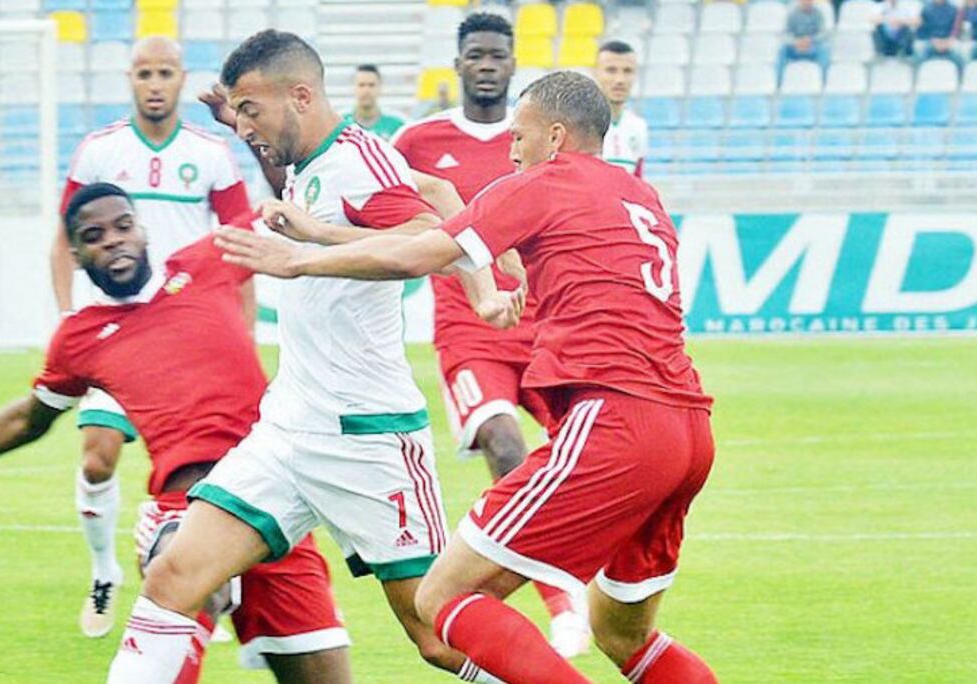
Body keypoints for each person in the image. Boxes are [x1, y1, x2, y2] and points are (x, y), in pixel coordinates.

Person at [216, 70, 718, 684]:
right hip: (689, 431)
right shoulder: (639, 195)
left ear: (555, 137)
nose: (510, 149)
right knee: (621, 632)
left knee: (442, 598)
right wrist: (319, 228)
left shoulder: (543, 181)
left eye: (521, 136)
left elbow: (419, 252)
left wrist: (299, 260)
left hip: (615, 422)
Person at [104, 30, 505, 684]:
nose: (246, 125)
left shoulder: (358, 163)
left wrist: (308, 251)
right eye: (239, 112)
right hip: (288, 433)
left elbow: (431, 238)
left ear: (299, 96)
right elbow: (436, 194)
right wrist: (240, 126)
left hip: (369, 440)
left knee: (436, 636)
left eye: (252, 110)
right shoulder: (312, 158)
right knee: (173, 574)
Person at [0, 184, 353, 683]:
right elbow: (26, 420)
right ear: (75, 255)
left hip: (276, 511)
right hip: (188, 508)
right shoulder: (80, 338)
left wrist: (259, 131)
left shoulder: (205, 261)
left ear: (141, 229)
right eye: (94, 236)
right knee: (190, 577)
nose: (113, 241)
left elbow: (284, 205)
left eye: (122, 226)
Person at [391, 12, 590, 658]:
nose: (485, 63)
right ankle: (563, 606)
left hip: (548, 327)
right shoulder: (418, 140)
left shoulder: (537, 140)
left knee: (582, 460)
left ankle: (585, 582)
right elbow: (387, 210)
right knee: (503, 442)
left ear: (511, 64)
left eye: (496, 54)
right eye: (474, 53)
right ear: (457, 63)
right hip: (469, 331)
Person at [47, 37, 258, 639]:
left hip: (191, 333)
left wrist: (237, 334)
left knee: (213, 472)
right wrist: (69, 316)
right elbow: (62, 237)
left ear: (181, 77)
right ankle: (104, 568)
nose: (155, 84)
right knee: (95, 457)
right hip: (116, 335)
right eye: (145, 73)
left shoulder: (211, 153)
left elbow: (239, 241)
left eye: (166, 73)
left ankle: (220, 575)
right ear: (130, 79)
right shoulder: (99, 151)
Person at [594, 41, 649, 177]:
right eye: (611, 70)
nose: (620, 80)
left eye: (627, 71)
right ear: (596, 73)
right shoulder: (579, 125)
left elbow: (637, 181)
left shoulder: (638, 127)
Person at [345, 64, 407, 139]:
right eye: (361, 85)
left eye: (371, 85)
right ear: (353, 87)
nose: (366, 90)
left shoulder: (397, 124)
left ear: (380, 87)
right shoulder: (340, 123)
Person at [777, 0, 831, 83]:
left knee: (824, 50)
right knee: (782, 50)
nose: (807, 2)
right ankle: (779, 82)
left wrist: (810, 40)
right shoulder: (793, 14)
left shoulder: (818, 14)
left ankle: (824, 81)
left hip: (812, 46)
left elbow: (823, 33)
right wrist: (795, 42)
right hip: (796, 46)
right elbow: (785, 34)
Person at [916, 0, 964, 69]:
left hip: (948, 41)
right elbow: (922, 30)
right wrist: (933, 41)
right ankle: (916, 78)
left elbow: (957, 28)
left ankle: (961, 78)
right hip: (931, 40)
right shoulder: (926, 9)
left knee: (959, 53)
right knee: (920, 51)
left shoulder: (954, 9)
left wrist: (949, 40)